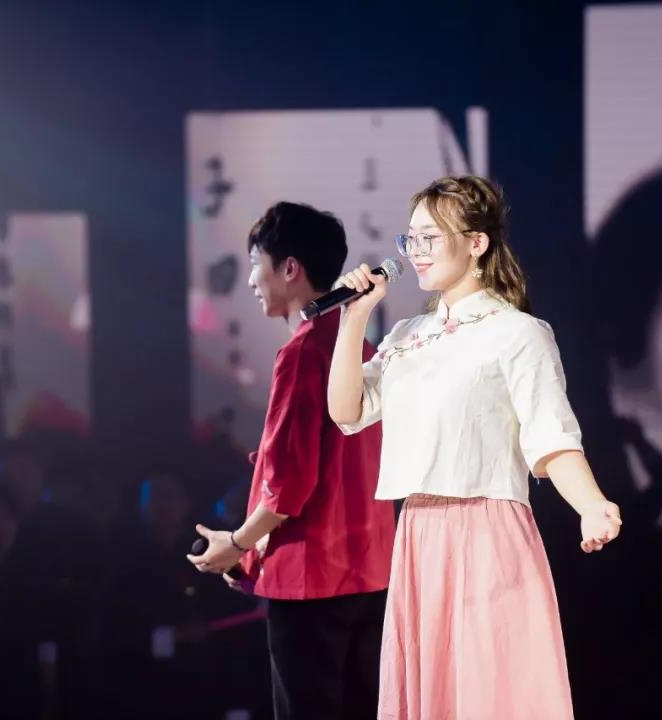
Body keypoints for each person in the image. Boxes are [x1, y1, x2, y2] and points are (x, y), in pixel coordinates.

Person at [328, 176, 622, 719]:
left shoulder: (519, 332)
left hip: (486, 528)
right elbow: (346, 411)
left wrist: (591, 505)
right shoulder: (407, 336)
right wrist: (355, 318)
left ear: (476, 242)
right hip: (418, 530)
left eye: (430, 238)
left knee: (489, 689)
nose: (416, 252)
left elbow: (551, 436)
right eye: (410, 239)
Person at [187, 201, 396, 719]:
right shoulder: (362, 347)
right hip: (371, 574)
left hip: (310, 582)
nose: (251, 280)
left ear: (290, 268)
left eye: (256, 263)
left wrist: (237, 543)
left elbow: (288, 487)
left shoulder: (303, 352)